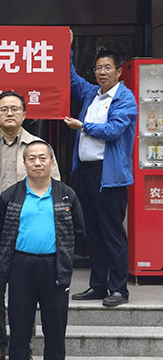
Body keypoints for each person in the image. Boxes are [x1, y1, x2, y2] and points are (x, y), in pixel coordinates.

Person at [0, 90, 60, 360]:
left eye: (15, 109)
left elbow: (54, 190)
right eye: (4, 109)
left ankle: (23, 348)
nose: (9, 113)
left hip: (27, 234)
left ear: (24, 114)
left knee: (25, 294)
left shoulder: (39, 148)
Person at [0, 140, 85, 360]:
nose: (37, 162)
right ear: (24, 163)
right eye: (31, 158)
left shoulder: (66, 194)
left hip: (55, 266)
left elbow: (79, 232)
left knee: (55, 329)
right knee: (20, 327)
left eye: (42, 157)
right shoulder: (11, 195)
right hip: (21, 265)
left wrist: (63, 255)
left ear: (52, 161)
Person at [64, 34, 137, 307]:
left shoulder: (125, 98)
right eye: (98, 68)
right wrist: (67, 49)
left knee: (111, 232)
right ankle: (98, 285)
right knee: (92, 231)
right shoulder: (91, 94)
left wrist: (82, 126)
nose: (102, 72)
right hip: (86, 173)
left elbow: (114, 129)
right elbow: (71, 79)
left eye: (107, 68)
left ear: (119, 72)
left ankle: (119, 289)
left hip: (109, 176)